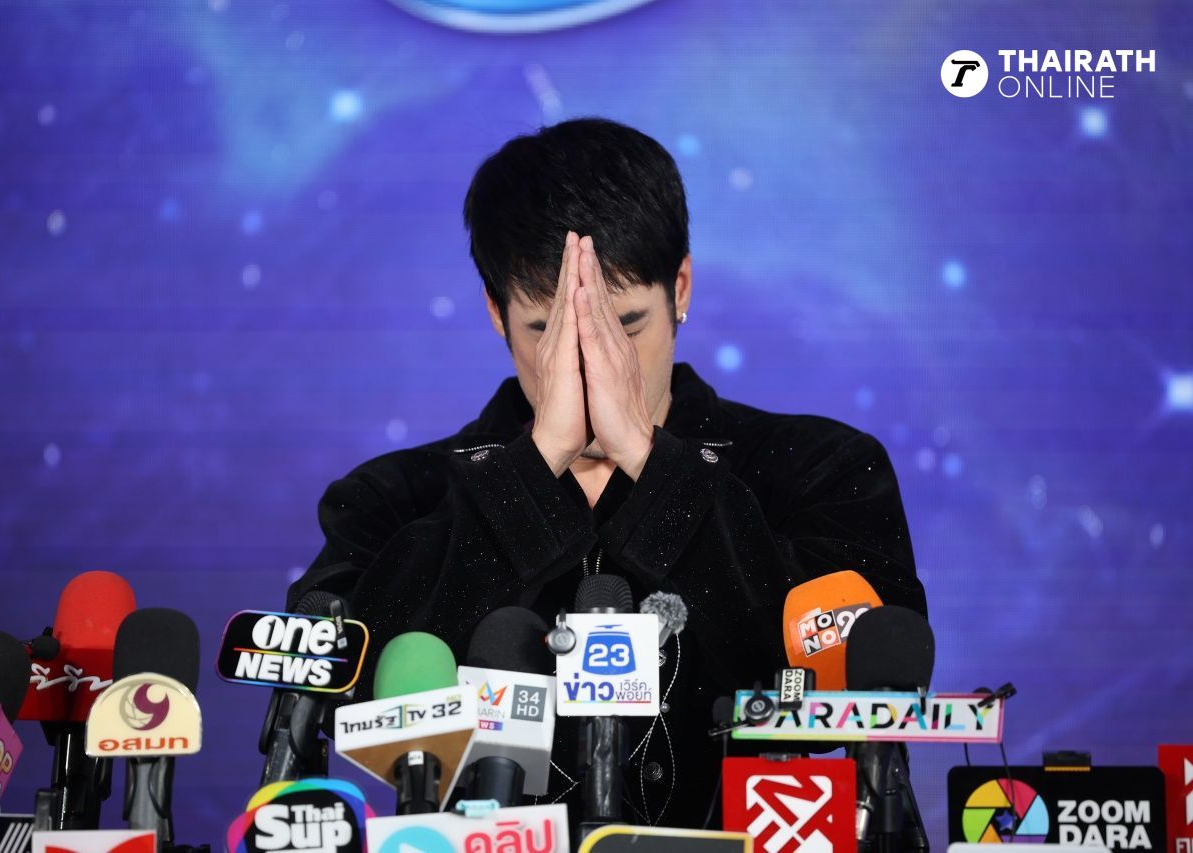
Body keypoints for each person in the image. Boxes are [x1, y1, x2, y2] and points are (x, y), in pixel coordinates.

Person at [288, 117, 927, 829]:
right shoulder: (393, 497)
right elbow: (340, 698)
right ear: (496, 313)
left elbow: (859, 687)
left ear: (680, 287)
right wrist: (533, 466)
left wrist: (655, 464)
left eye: (625, 325)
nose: (593, 363)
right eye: (547, 330)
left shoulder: (820, 467)